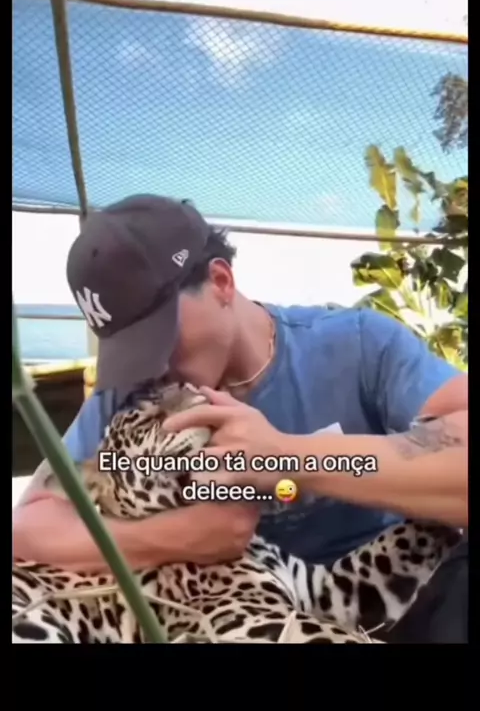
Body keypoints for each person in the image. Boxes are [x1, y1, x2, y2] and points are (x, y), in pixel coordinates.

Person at [13, 194, 468, 643]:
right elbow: (30, 528)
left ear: (221, 281)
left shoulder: (357, 345)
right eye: (129, 351)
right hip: (240, 614)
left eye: (158, 338)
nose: (151, 368)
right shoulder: (129, 402)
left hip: (394, 588)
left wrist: (290, 458)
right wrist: (176, 536)